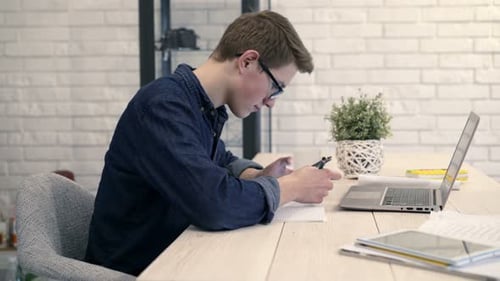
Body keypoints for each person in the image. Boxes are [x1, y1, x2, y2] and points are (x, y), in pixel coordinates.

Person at [85, 10, 342, 276]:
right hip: (138, 271)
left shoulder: (199, 106)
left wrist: (258, 175)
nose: (271, 102)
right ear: (248, 62)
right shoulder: (162, 105)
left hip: (176, 258)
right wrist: (292, 187)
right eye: (275, 87)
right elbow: (214, 204)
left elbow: (218, 160)